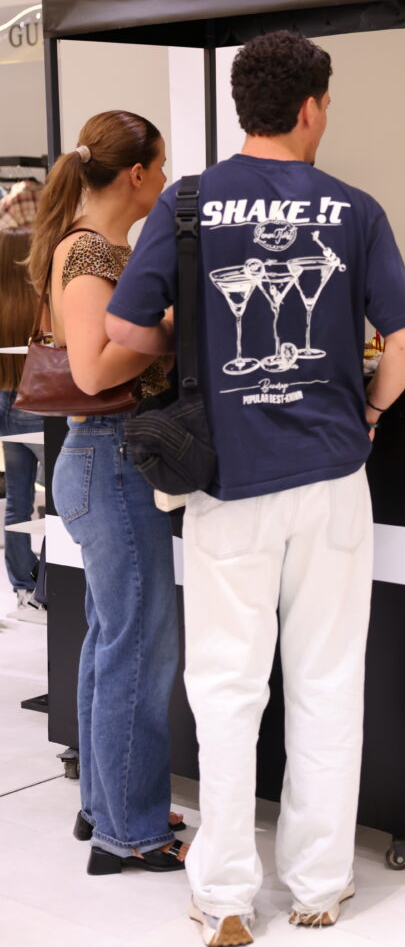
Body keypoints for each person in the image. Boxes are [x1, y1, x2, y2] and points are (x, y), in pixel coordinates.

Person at [106, 30, 405, 945]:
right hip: (330, 479)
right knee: (326, 680)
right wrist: (369, 409)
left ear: (242, 105)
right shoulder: (354, 208)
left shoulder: (188, 201)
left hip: (228, 479)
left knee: (225, 688)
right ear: (312, 107)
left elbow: (124, 332)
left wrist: (195, 343)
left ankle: (225, 896)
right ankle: (319, 885)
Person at [26, 111, 187, 874]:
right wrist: (171, 330)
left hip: (105, 460)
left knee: (114, 640)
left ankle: (108, 804)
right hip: (111, 459)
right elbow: (93, 369)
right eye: (161, 164)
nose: (165, 178)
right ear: (137, 173)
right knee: (139, 648)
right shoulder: (89, 249)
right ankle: (132, 830)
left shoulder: (97, 246)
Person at [0, 226, 46, 622]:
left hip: (4, 402)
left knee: (18, 498)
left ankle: (22, 585)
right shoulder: (38, 303)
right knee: (60, 499)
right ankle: (47, 584)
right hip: (35, 403)